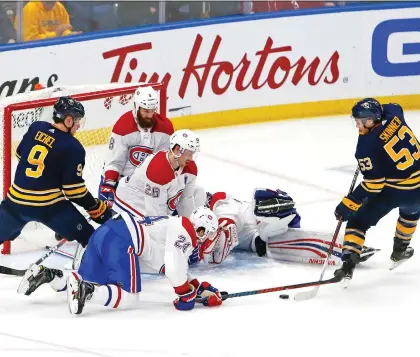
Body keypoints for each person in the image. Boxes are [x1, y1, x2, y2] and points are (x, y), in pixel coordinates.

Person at [18, 207, 223, 314]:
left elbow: (176, 266)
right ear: (203, 230)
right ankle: (86, 292)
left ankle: (48, 274)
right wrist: (186, 296)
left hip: (106, 233)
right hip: (123, 239)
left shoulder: (176, 229)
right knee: (128, 298)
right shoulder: (186, 232)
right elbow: (173, 268)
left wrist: (199, 288)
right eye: (210, 235)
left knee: (84, 277)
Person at [0, 96, 112, 250]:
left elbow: (21, 155)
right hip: (50, 207)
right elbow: (74, 191)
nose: (79, 125)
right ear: (68, 120)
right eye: (77, 120)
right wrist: (95, 207)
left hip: (16, 202)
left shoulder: (36, 127)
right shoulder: (73, 147)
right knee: (90, 238)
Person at [333, 98, 419, 284]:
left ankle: (348, 263)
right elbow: (394, 105)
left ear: (371, 120)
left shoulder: (365, 147)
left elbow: (374, 184)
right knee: (410, 214)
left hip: (394, 191)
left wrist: (350, 202)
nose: (356, 125)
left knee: (357, 221)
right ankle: (399, 251)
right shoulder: (395, 115)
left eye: (359, 121)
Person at [197, 188, 378, 266]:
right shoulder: (217, 208)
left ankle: (343, 248)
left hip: (263, 230)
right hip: (261, 236)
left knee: (263, 205)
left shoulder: (222, 209)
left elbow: (215, 257)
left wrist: (203, 249)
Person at [99, 85, 174, 206]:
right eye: (146, 111)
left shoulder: (165, 128)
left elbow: (164, 163)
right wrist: (109, 184)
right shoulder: (123, 126)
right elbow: (114, 162)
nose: (150, 115)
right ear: (136, 107)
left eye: (152, 111)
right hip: (120, 180)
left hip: (145, 185)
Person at [113, 129, 205, 218]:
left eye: (193, 154)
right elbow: (156, 216)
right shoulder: (158, 170)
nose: (191, 158)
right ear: (177, 149)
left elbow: (186, 199)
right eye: (189, 153)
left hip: (154, 200)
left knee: (199, 192)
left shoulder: (190, 168)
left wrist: (191, 227)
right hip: (132, 202)